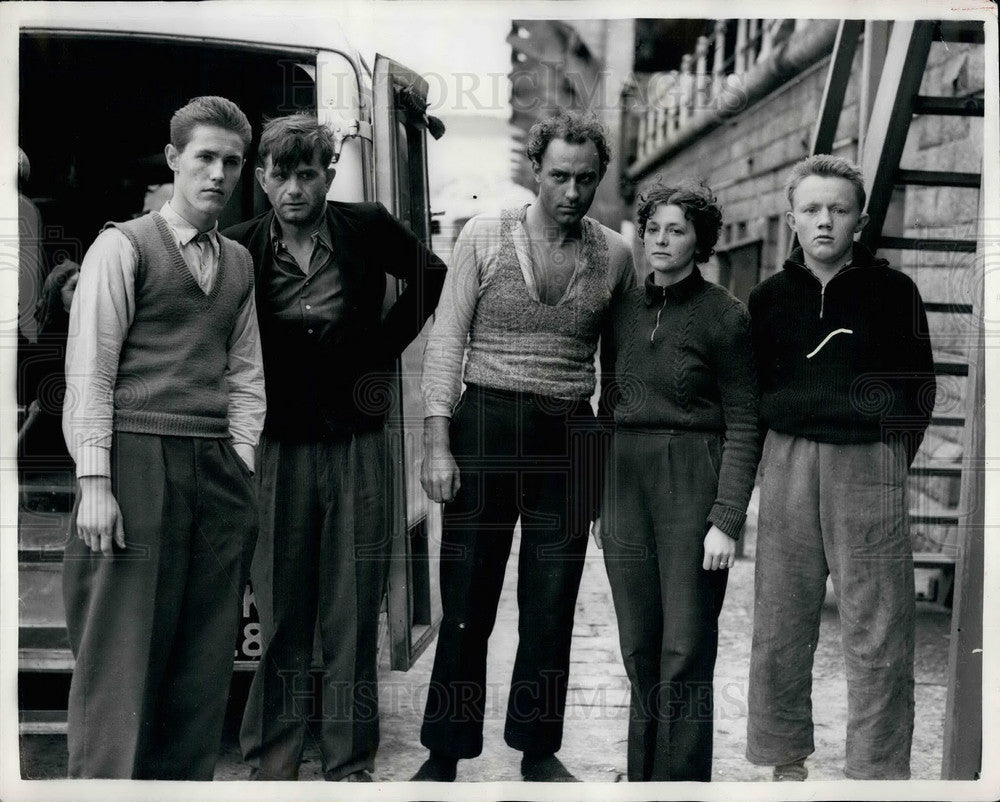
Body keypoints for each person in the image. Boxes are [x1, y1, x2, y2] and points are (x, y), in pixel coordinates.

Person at [414, 110, 637, 783]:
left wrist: (600, 476)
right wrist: (436, 443)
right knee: (467, 601)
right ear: (535, 171)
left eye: (587, 179)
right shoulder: (484, 237)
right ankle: (444, 751)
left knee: (551, 599)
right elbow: (447, 342)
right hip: (484, 422)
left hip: (570, 433)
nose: (572, 192)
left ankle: (538, 749)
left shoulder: (616, 255)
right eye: (560, 176)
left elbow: (619, 373)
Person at [223, 114, 447, 782]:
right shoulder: (240, 248)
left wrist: (380, 347)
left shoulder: (366, 225)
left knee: (352, 611)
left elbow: (431, 276)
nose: (293, 188)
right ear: (261, 178)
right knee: (283, 610)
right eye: (280, 174)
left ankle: (350, 766)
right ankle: (273, 760)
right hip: (278, 448)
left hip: (357, 443)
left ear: (327, 173)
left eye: (307, 173)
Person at [62, 95, 265, 779]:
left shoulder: (237, 261)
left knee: (202, 662)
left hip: (214, 470)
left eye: (232, 161)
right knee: (122, 660)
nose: (218, 173)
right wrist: (95, 482)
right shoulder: (123, 246)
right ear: (176, 160)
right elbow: (90, 369)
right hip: (135, 460)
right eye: (205, 157)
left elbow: (245, 375)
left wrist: (239, 465)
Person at [745, 154, 935, 780]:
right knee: (780, 615)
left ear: (860, 219)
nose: (824, 221)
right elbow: (754, 389)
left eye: (839, 209)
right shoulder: (769, 299)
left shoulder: (894, 292)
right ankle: (782, 757)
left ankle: (876, 768)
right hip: (790, 459)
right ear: (793, 219)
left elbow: (919, 388)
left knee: (878, 622)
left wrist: (885, 459)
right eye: (811, 210)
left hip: (868, 464)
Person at [593, 180, 760, 781]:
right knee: (639, 645)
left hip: (693, 477)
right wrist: (597, 501)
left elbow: (745, 420)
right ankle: (643, 781)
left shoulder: (725, 316)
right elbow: (608, 400)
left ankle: (682, 784)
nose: (662, 240)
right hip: (624, 482)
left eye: (677, 230)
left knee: (685, 646)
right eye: (653, 228)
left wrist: (726, 518)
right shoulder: (623, 308)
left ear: (700, 240)